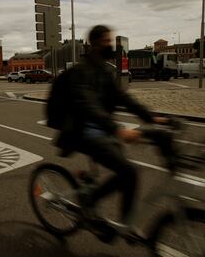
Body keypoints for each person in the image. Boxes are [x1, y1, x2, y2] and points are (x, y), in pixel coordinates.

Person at [55, 25, 167, 234]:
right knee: (129, 172)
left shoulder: (106, 70)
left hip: (103, 131)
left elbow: (123, 97)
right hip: (82, 133)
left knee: (128, 171)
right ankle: (96, 205)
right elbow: (86, 105)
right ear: (95, 44)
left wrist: (151, 117)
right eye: (107, 41)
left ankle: (124, 223)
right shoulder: (81, 71)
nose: (110, 45)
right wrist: (117, 129)